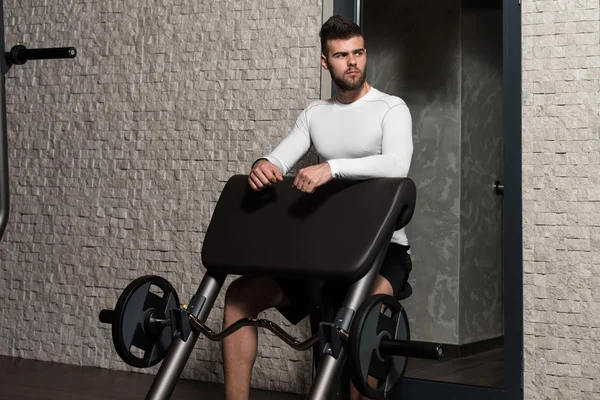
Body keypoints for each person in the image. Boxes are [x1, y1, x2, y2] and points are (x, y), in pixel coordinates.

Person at [221, 15, 414, 400]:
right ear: (325, 62)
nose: (353, 62)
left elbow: (397, 166)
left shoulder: (391, 108)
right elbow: (279, 158)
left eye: (358, 52)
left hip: (382, 249)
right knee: (239, 297)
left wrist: (333, 168)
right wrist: (265, 165)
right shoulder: (315, 114)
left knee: (360, 327)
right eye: (342, 55)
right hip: (324, 251)